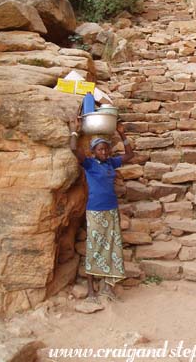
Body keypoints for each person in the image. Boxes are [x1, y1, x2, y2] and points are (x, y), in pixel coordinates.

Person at [69, 118, 134, 303]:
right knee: (94, 248)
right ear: (93, 152)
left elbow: (130, 155)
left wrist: (122, 133)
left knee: (112, 248)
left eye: (106, 149)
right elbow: (74, 149)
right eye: (100, 149)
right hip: (95, 212)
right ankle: (91, 291)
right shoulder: (89, 164)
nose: (104, 151)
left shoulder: (110, 163)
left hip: (112, 211)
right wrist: (74, 130)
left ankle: (107, 288)